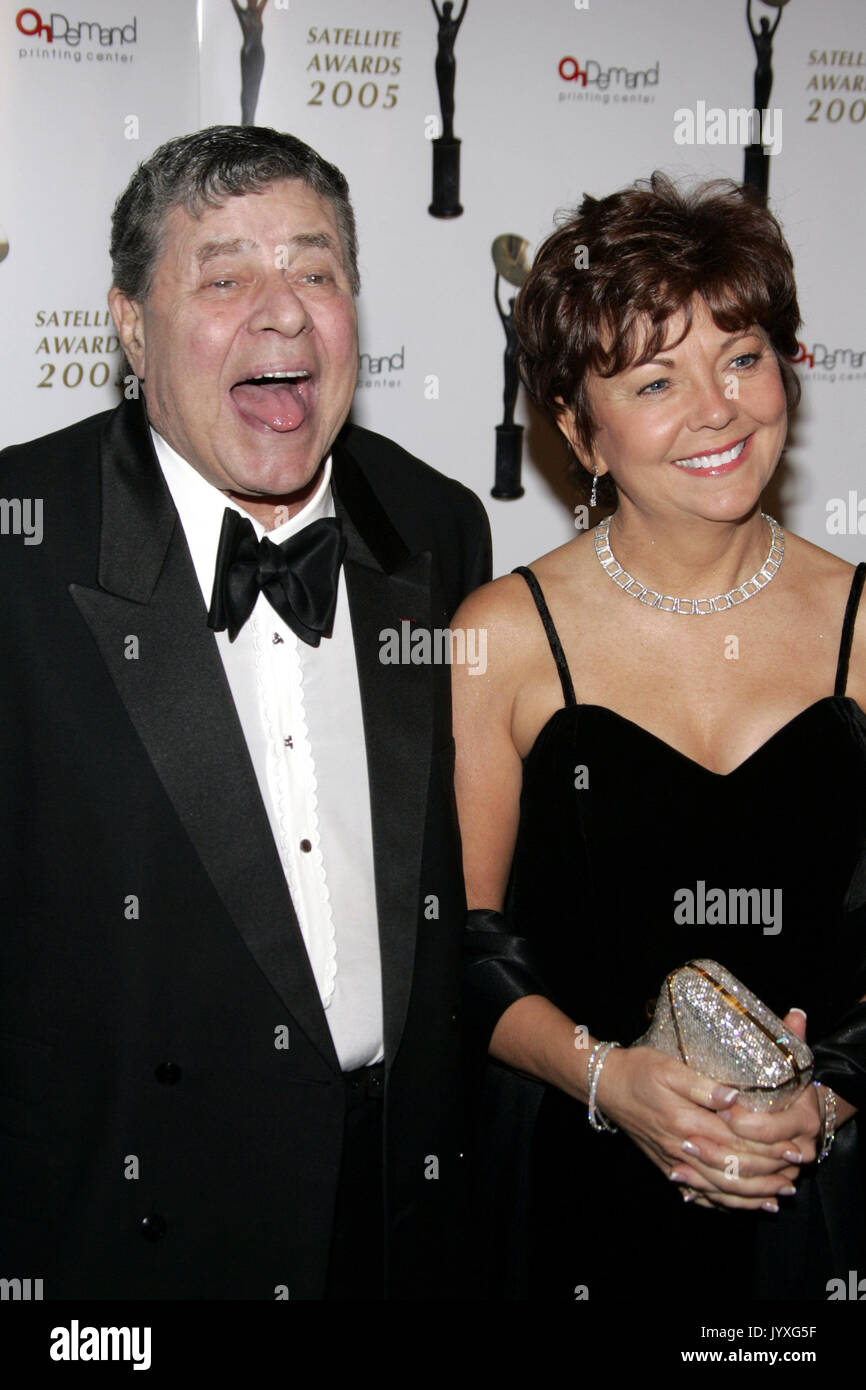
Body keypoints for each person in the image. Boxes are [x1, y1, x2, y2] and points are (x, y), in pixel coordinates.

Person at [0, 125, 490, 1300]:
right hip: (122, 1236)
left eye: (315, 272)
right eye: (223, 277)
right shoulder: (20, 539)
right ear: (129, 323)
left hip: (395, 1221)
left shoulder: (436, 525)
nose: (282, 315)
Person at [453, 173, 866, 1300]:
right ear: (580, 433)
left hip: (819, 1199)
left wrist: (825, 1098)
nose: (717, 407)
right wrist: (609, 1080)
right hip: (572, 1191)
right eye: (652, 378)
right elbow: (463, 948)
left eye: (739, 356)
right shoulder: (501, 636)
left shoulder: (864, 625)